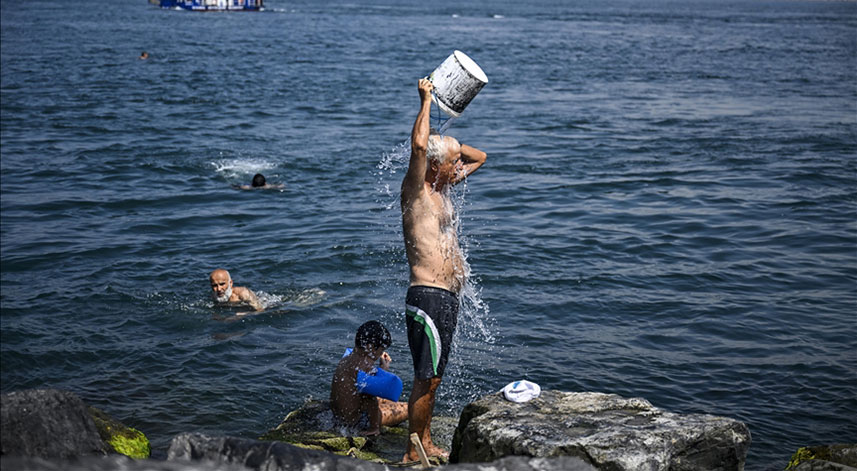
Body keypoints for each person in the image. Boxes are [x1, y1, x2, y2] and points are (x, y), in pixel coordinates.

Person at [400, 78, 487, 461]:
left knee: (433, 378)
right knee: (426, 378)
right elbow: (420, 145)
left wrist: (451, 128)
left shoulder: (445, 188)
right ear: (435, 165)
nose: (460, 167)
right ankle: (411, 450)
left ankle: (425, 441)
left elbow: (480, 156)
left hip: (446, 296)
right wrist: (426, 101)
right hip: (428, 296)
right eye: (453, 162)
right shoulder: (417, 191)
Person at [330, 320, 408, 436]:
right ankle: (373, 429)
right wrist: (374, 428)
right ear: (370, 347)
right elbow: (370, 397)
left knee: (390, 401)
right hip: (357, 421)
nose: (380, 354)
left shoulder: (346, 359)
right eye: (380, 350)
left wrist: (381, 368)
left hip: (339, 416)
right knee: (410, 407)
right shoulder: (364, 367)